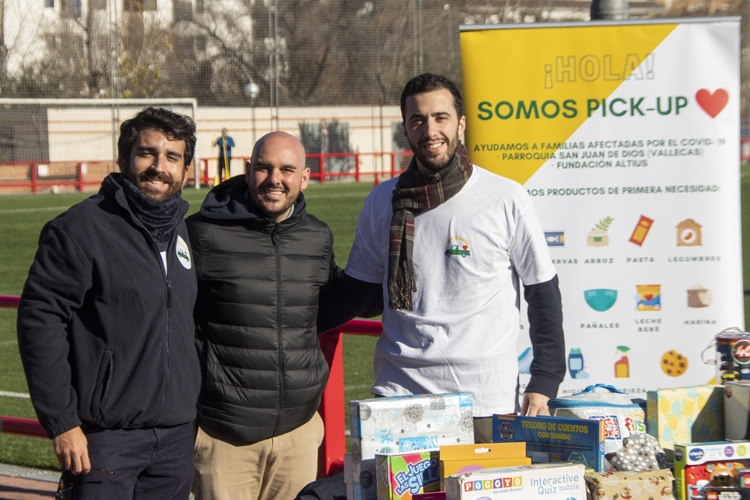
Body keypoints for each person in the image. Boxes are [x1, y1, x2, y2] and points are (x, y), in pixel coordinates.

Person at [318, 74, 565, 443]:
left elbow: (542, 290)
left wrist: (545, 379)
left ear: (461, 124)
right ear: (405, 128)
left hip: (483, 401)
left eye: (440, 117)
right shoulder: (381, 201)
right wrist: (287, 317)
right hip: (399, 394)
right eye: (418, 120)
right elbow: (360, 290)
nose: (430, 130)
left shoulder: (504, 197)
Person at [16, 107, 200, 499]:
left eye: (172, 157)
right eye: (147, 153)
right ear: (123, 159)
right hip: (104, 441)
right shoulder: (79, 229)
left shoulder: (181, 229)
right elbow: (39, 321)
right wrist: (63, 423)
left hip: (174, 442)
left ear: (186, 170)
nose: (158, 167)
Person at [187, 131, 343, 500]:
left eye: (287, 169)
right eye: (264, 168)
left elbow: (331, 303)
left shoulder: (317, 237)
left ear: (305, 178)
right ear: (247, 171)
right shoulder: (202, 233)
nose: (275, 179)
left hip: (298, 432)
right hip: (225, 437)